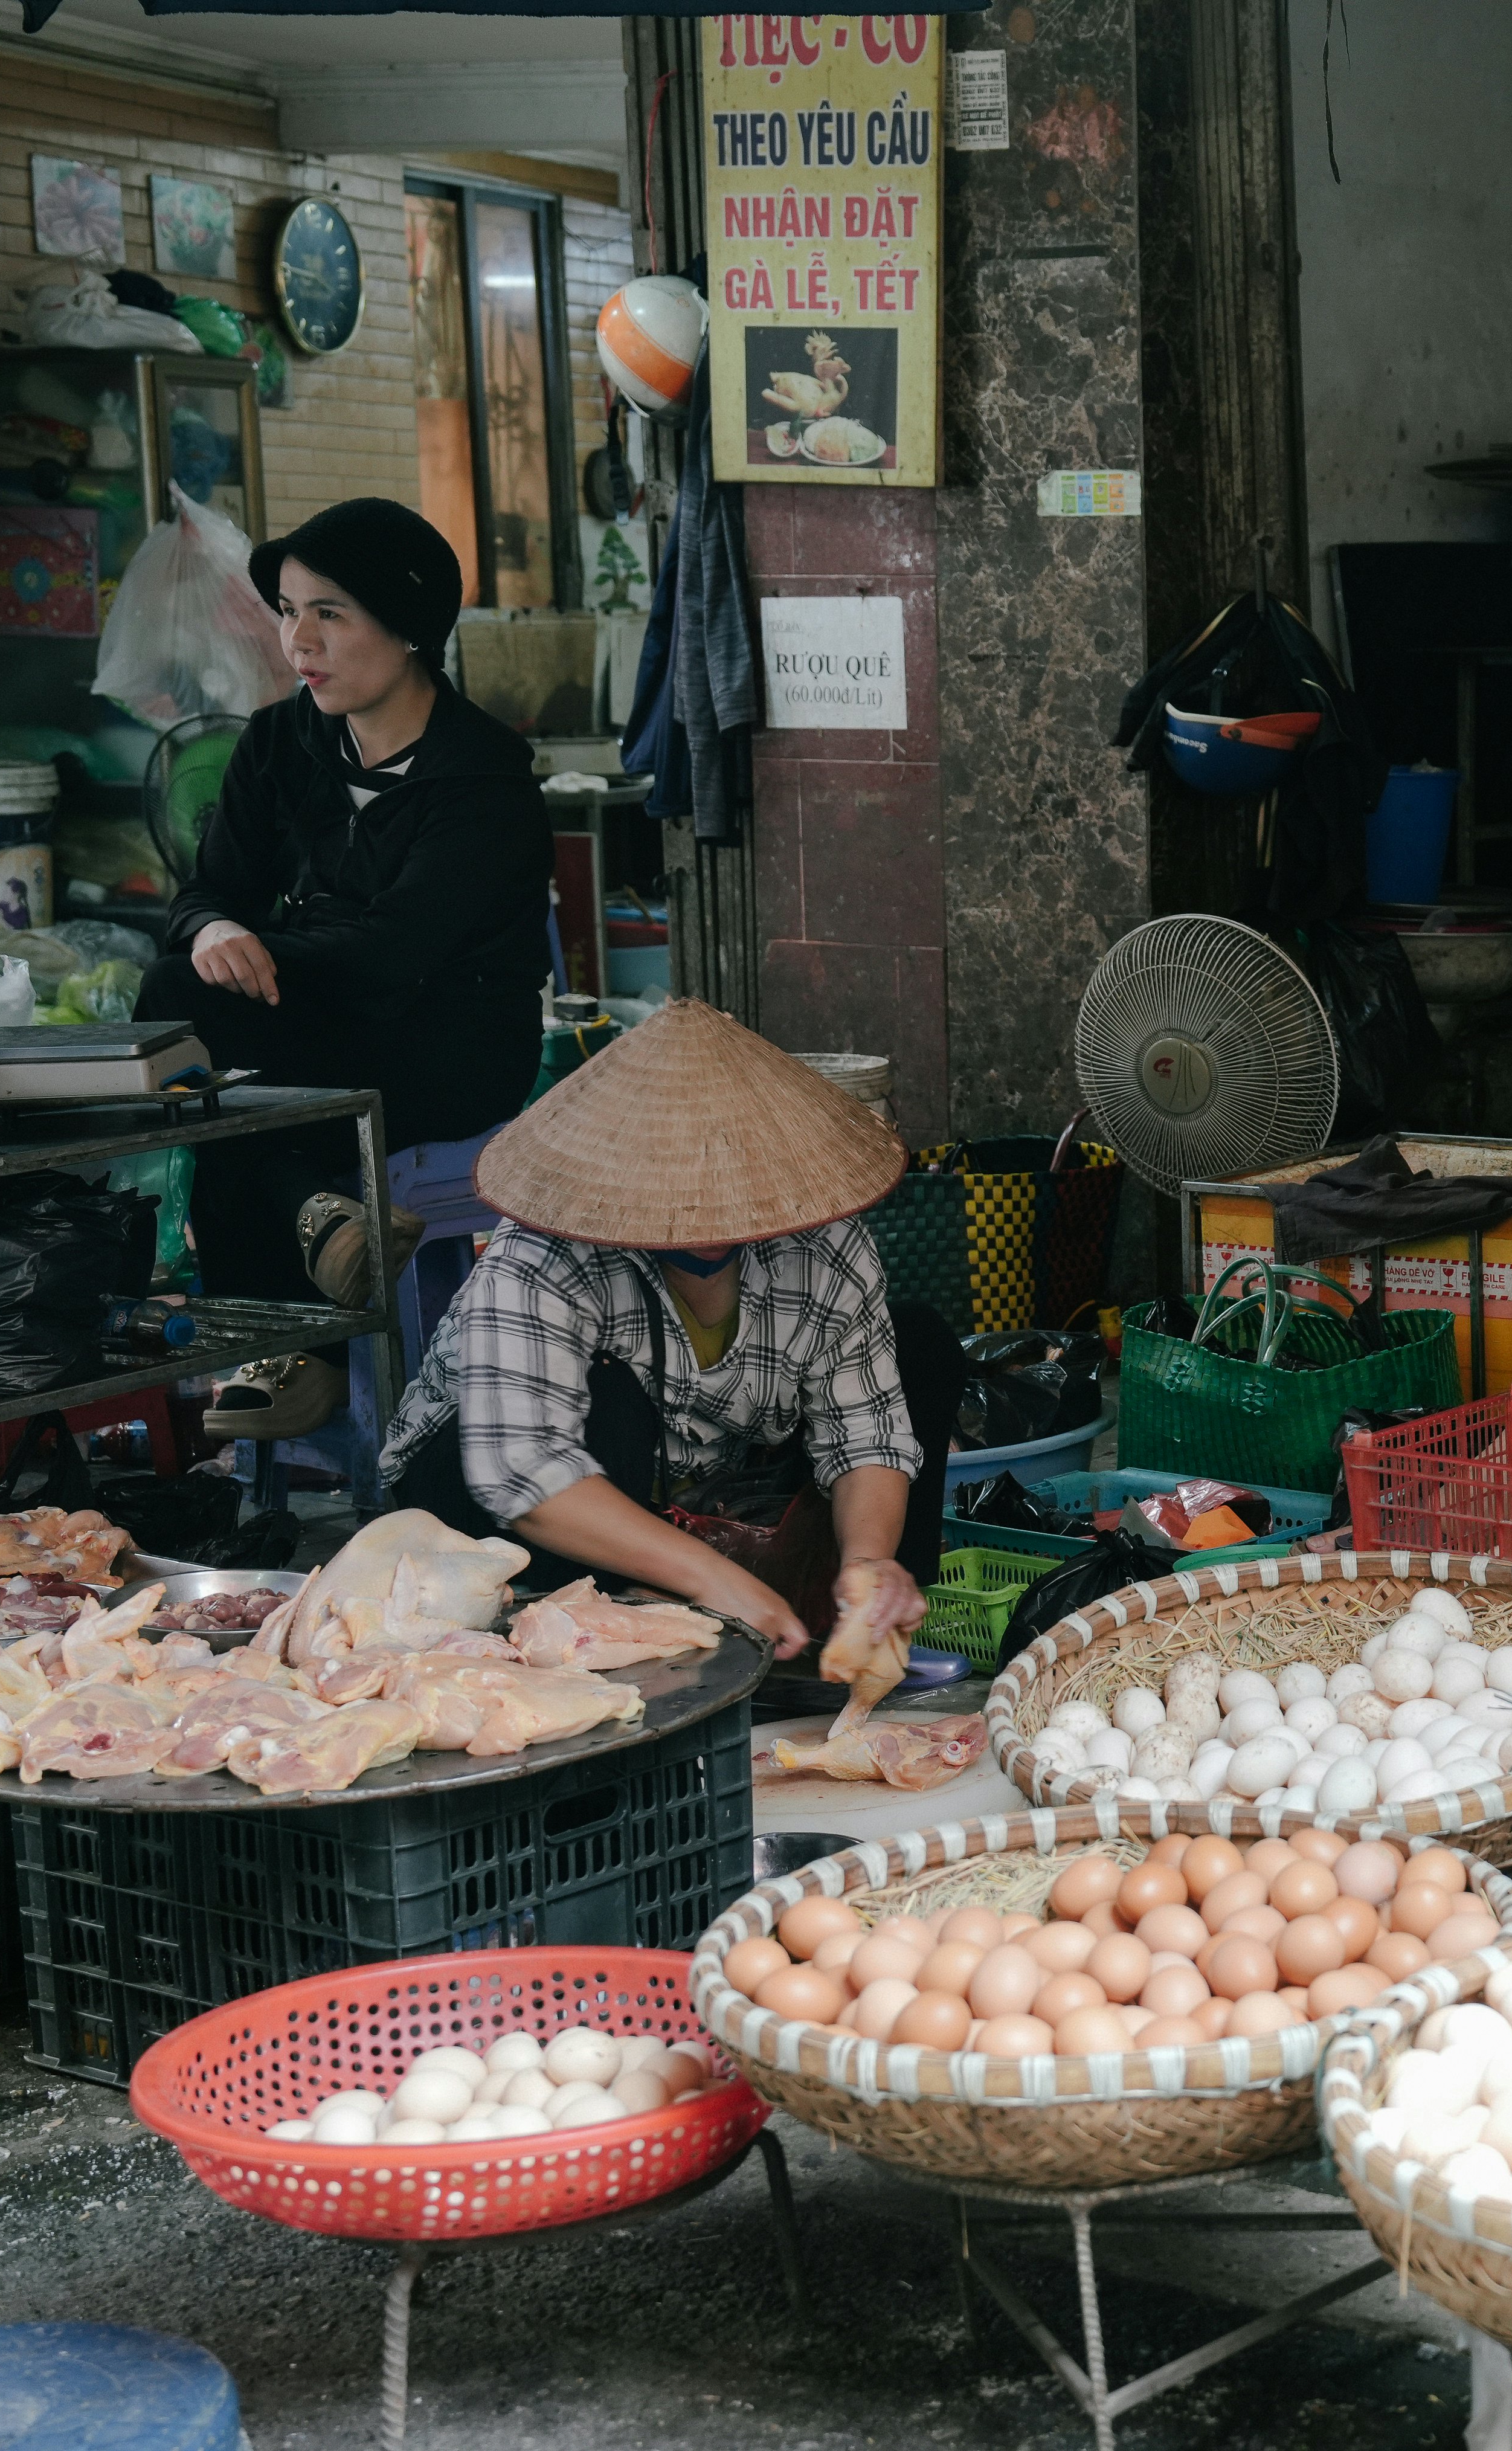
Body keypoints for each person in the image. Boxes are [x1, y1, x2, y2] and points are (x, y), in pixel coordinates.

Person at [144, 497, 553, 1443]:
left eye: (330, 612)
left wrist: (249, 954)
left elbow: (390, 957)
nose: (300, 642)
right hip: (322, 1026)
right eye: (288, 611)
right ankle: (320, 1252)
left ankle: (300, 1345)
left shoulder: (484, 783)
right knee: (187, 1009)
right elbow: (203, 895)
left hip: (448, 1048)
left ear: (407, 627)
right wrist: (212, 930)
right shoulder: (280, 744)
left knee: (196, 1030)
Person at [377, 1000, 960, 1662]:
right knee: (611, 1398)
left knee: (921, 1342)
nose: (706, 1217)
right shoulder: (543, 1252)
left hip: (701, 1478)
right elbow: (524, 1470)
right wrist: (716, 1578)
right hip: (491, 1501)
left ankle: (869, 1621)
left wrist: (869, 1558)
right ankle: (612, 1624)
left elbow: (868, 1433)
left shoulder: (824, 1243)